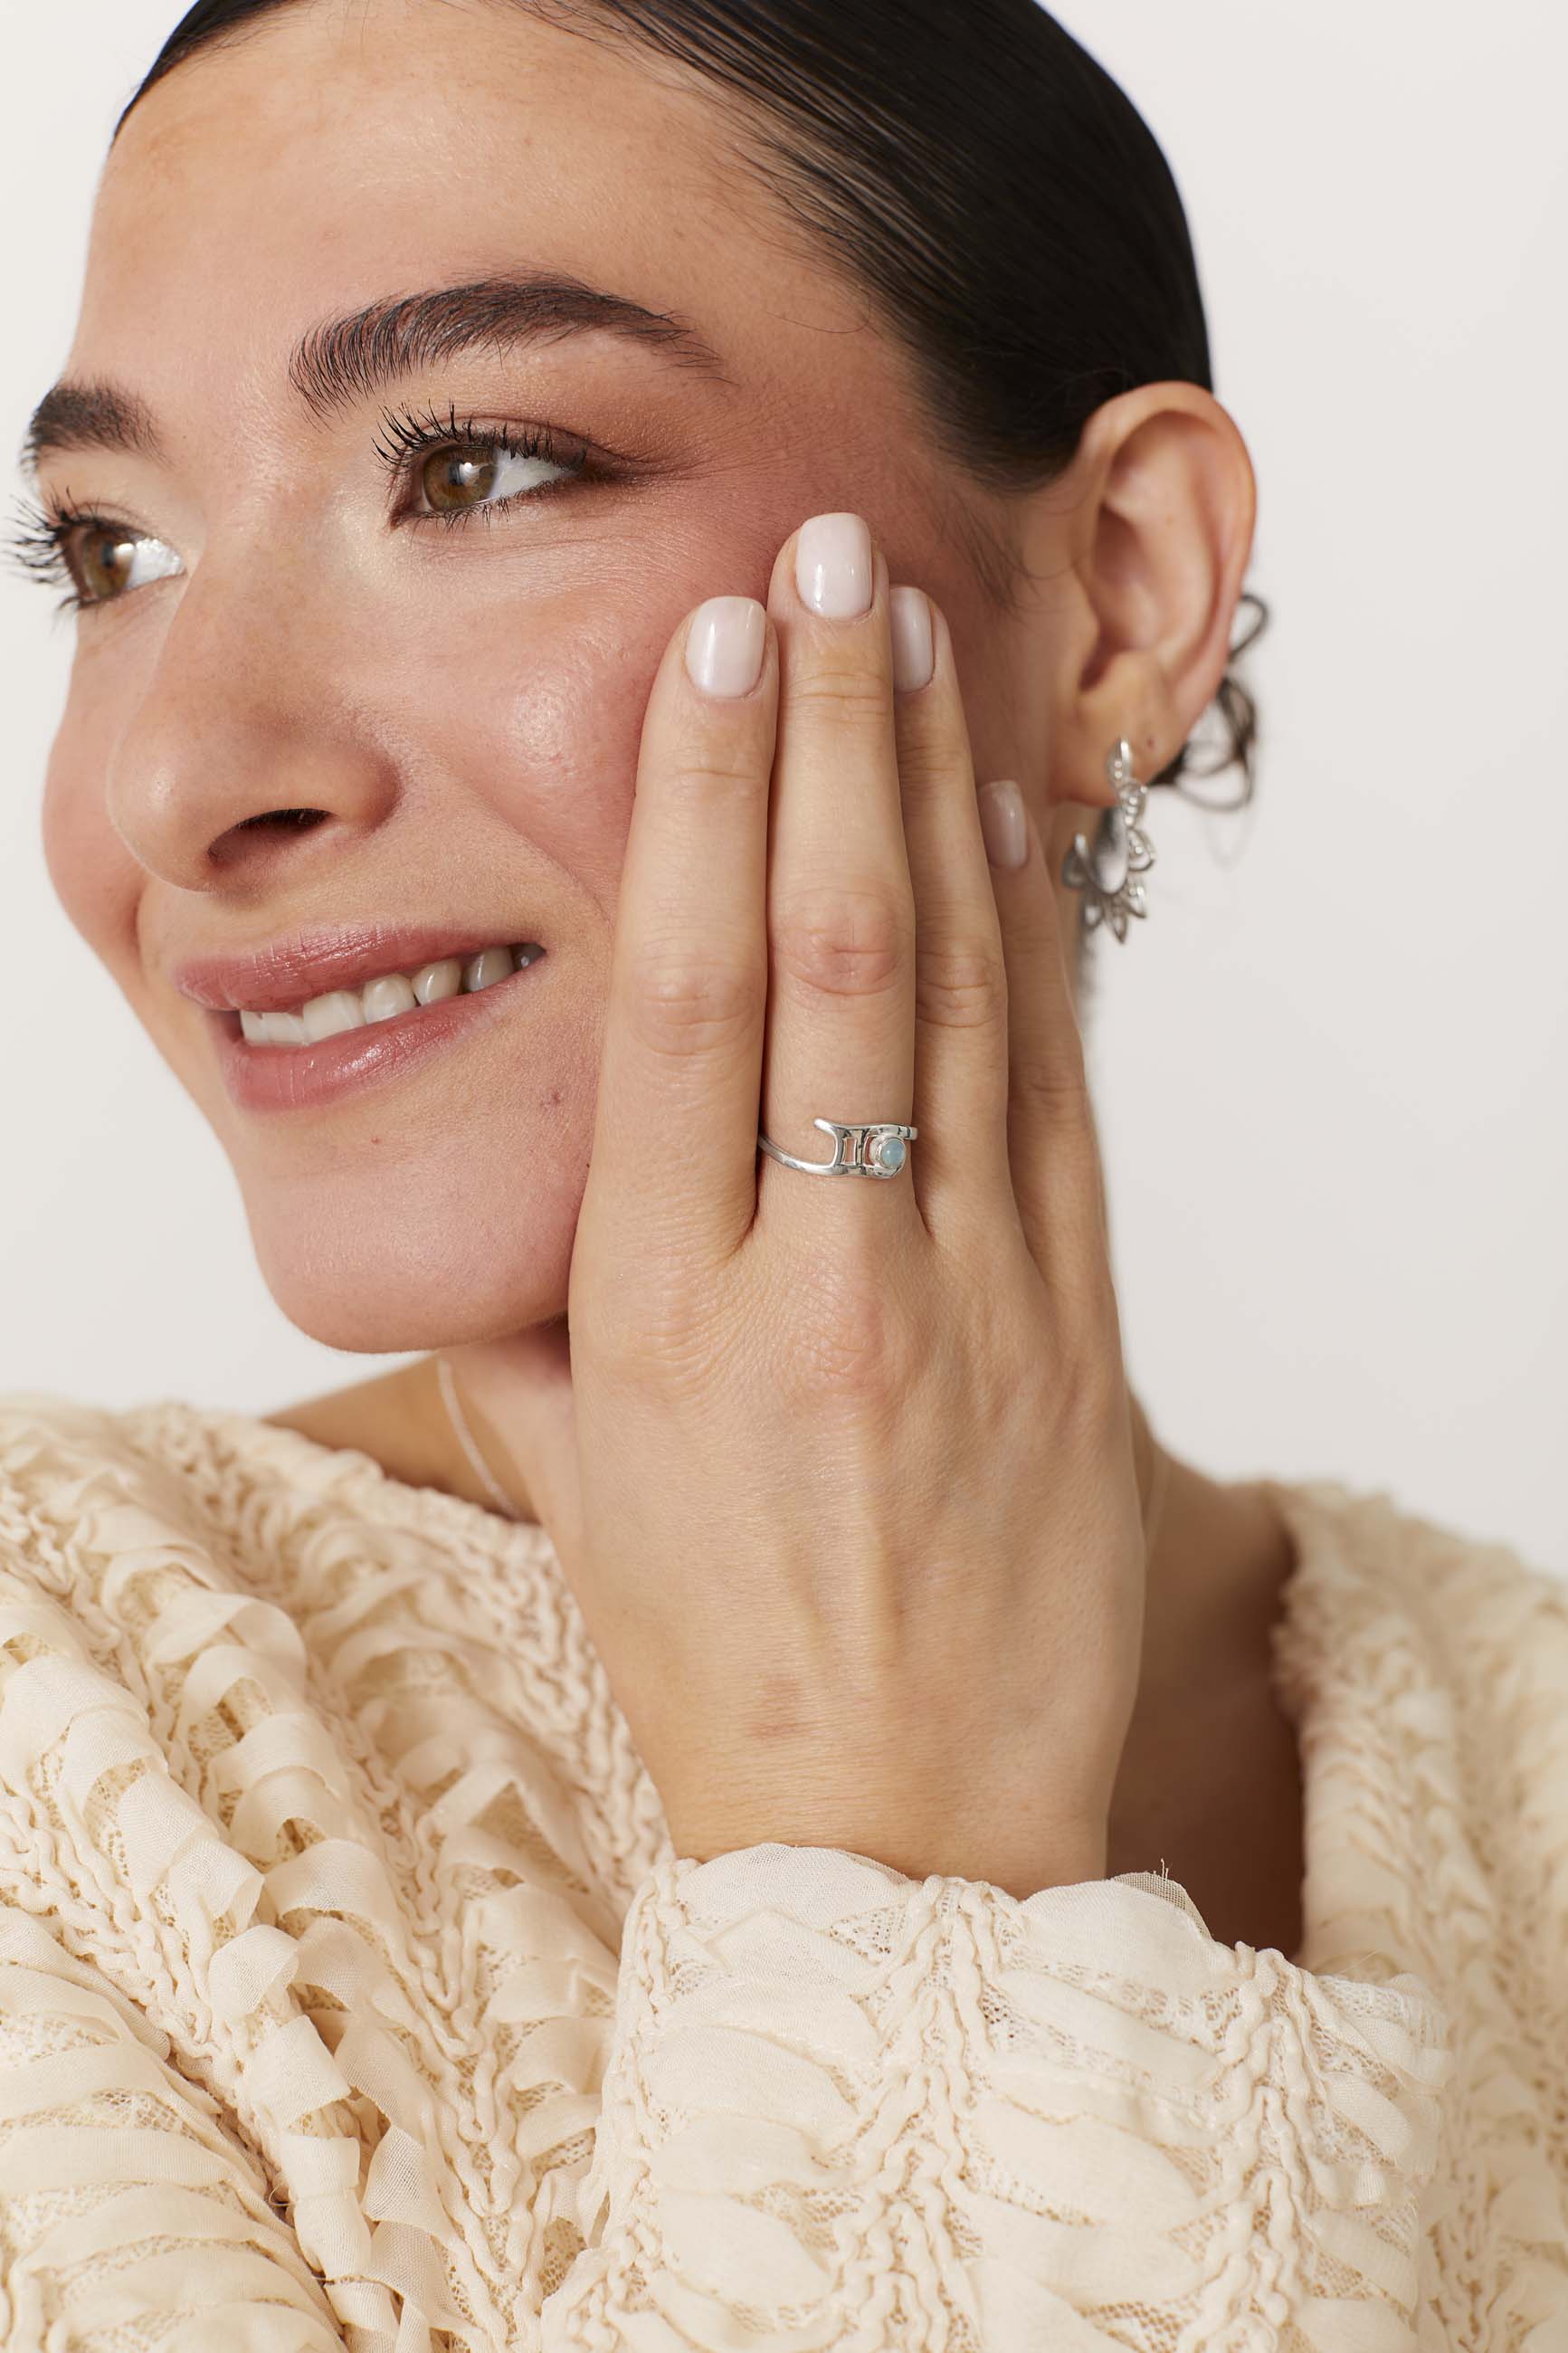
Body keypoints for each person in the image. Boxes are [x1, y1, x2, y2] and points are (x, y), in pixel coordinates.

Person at [1, 0, 1563, 2343]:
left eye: (477, 470)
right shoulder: (61, 1740)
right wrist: (891, 1845)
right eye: (108, 550)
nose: (182, 778)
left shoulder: (1529, 1740)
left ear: (1123, 587)